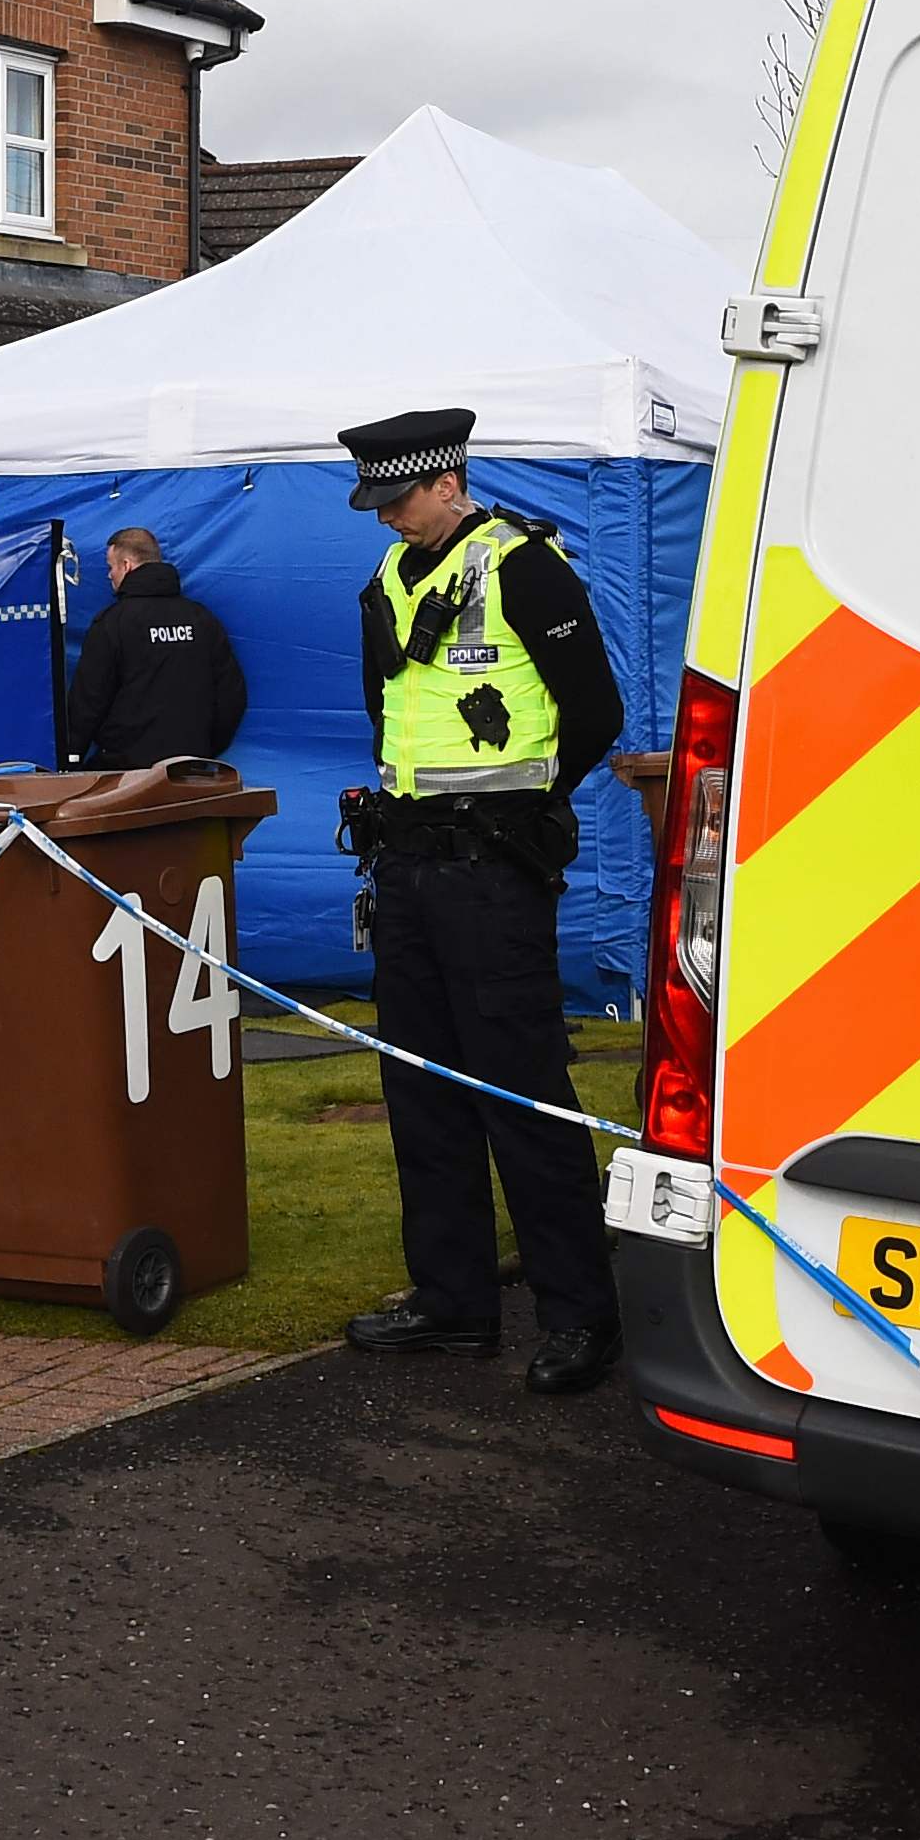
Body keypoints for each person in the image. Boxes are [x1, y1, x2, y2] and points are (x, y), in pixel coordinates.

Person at [331, 405, 626, 1393]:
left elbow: (594, 710)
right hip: (409, 868)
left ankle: (579, 1313)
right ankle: (450, 1300)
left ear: (447, 480)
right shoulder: (389, 573)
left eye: (400, 498)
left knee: (524, 1093)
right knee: (421, 1089)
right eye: (376, 502)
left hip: (493, 873)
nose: (388, 518)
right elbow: (388, 705)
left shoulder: (523, 565)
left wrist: (526, 806)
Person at [59, 526, 246, 771]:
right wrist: (204, 748)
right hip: (190, 770)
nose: (109, 575)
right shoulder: (202, 619)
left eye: (110, 567)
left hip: (125, 772)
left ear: (126, 565)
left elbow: (88, 701)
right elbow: (232, 695)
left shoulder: (112, 623)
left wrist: (70, 759)